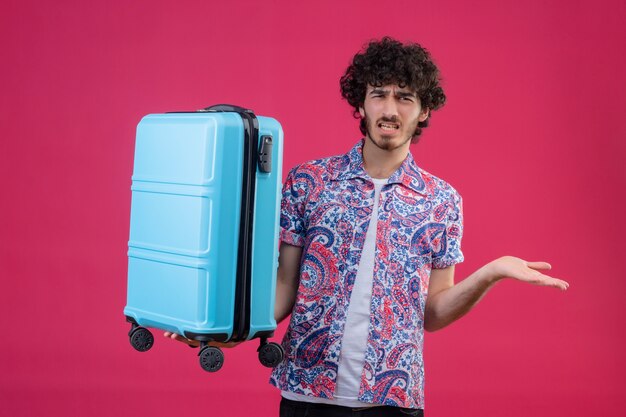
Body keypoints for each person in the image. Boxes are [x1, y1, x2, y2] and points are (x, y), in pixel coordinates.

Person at [165, 37, 569, 416]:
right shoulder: (309, 181)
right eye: (379, 95)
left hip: (393, 399)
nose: (390, 109)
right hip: (306, 392)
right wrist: (225, 332)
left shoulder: (442, 201)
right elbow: (284, 286)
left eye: (405, 98)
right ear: (361, 104)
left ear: (424, 110)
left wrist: (491, 273)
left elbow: (433, 312)